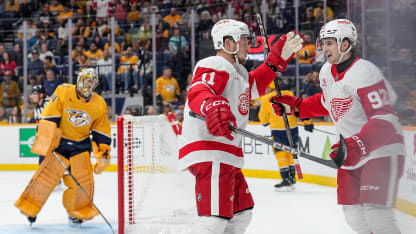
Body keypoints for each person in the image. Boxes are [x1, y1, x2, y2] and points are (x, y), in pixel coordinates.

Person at [270, 19, 405, 233]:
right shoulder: (326, 72)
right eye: (323, 43)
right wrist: (296, 108)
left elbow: (386, 118)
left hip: (380, 151)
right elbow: (329, 103)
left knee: (377, 216)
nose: (324, 48)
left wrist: (358, 144)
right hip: (351, 154)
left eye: (330, 43)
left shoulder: (364, 72)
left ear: (345, 44)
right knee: (354, 217)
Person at [178, 19, 303, 233]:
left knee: (241, 214)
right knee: (214, 221)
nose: (248, 44)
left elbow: (257, 84)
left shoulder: (240, 72)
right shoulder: (215, 64)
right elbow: (200, 89)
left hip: (225, 154)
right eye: (244, 39)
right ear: (228, 43)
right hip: (211, 150)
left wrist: (275, 60)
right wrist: (211, 105)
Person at [15, 68, 111, 227]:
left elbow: (101, 131)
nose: (88, 84)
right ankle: (30, 207)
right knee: (45, 178)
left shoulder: (99, 104)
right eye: (86, 80)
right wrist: (46, 140)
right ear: (79, 80)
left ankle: (76, 212)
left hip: (80, 145)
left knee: (82, 182)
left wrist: (103, 151)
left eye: (91, 81)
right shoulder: (63, 91)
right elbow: (50, 116)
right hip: (59, 143)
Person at [258, 82, 297, 191]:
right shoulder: (289, 93)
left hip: (278, 129)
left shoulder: (266, 98)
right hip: (293, 127)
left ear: (270, 87)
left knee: (281, 154)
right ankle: (292, 178)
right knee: (291, 152)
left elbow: (264, 120)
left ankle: (285, 179)